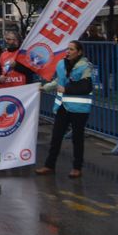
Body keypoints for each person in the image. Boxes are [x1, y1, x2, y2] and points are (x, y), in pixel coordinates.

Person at [36, 41, 93, 179]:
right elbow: (59, 81)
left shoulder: (85, 66)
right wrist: (46, 87)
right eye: (67, 49)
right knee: (56, 136)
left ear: (79, 52)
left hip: (79, 108)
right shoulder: (61, 64)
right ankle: (49, 166)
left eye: (71, 49)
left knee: (77, 138)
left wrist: (67, 89)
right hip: (63, 106)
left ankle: (76, 168)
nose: (68, 51)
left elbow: (86, 87)